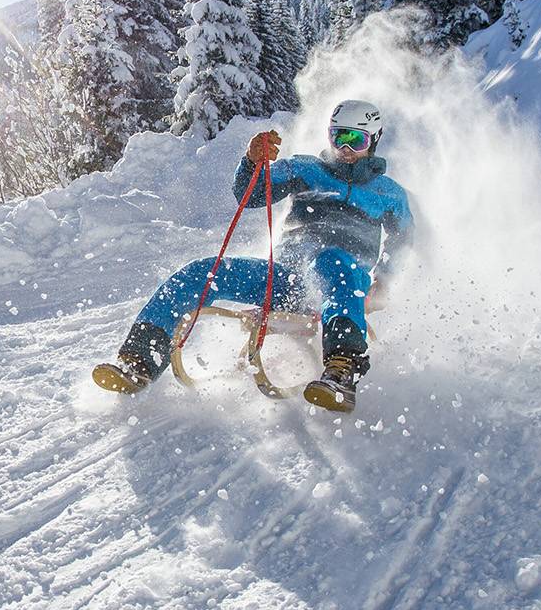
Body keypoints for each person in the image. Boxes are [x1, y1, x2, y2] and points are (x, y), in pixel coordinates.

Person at [93, 99, 415, 413]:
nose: (345, 149)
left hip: (342, 285)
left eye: (355, 140)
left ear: (373, 141)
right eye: (338, 137)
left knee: (331, 261)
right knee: (204, 271)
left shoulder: (388, 194)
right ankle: (138, 361)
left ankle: (341, 372)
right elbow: (252, 194)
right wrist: (252, 161)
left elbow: (403, 240)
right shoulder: (306, 169)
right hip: (286, 277)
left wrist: (383, 279)